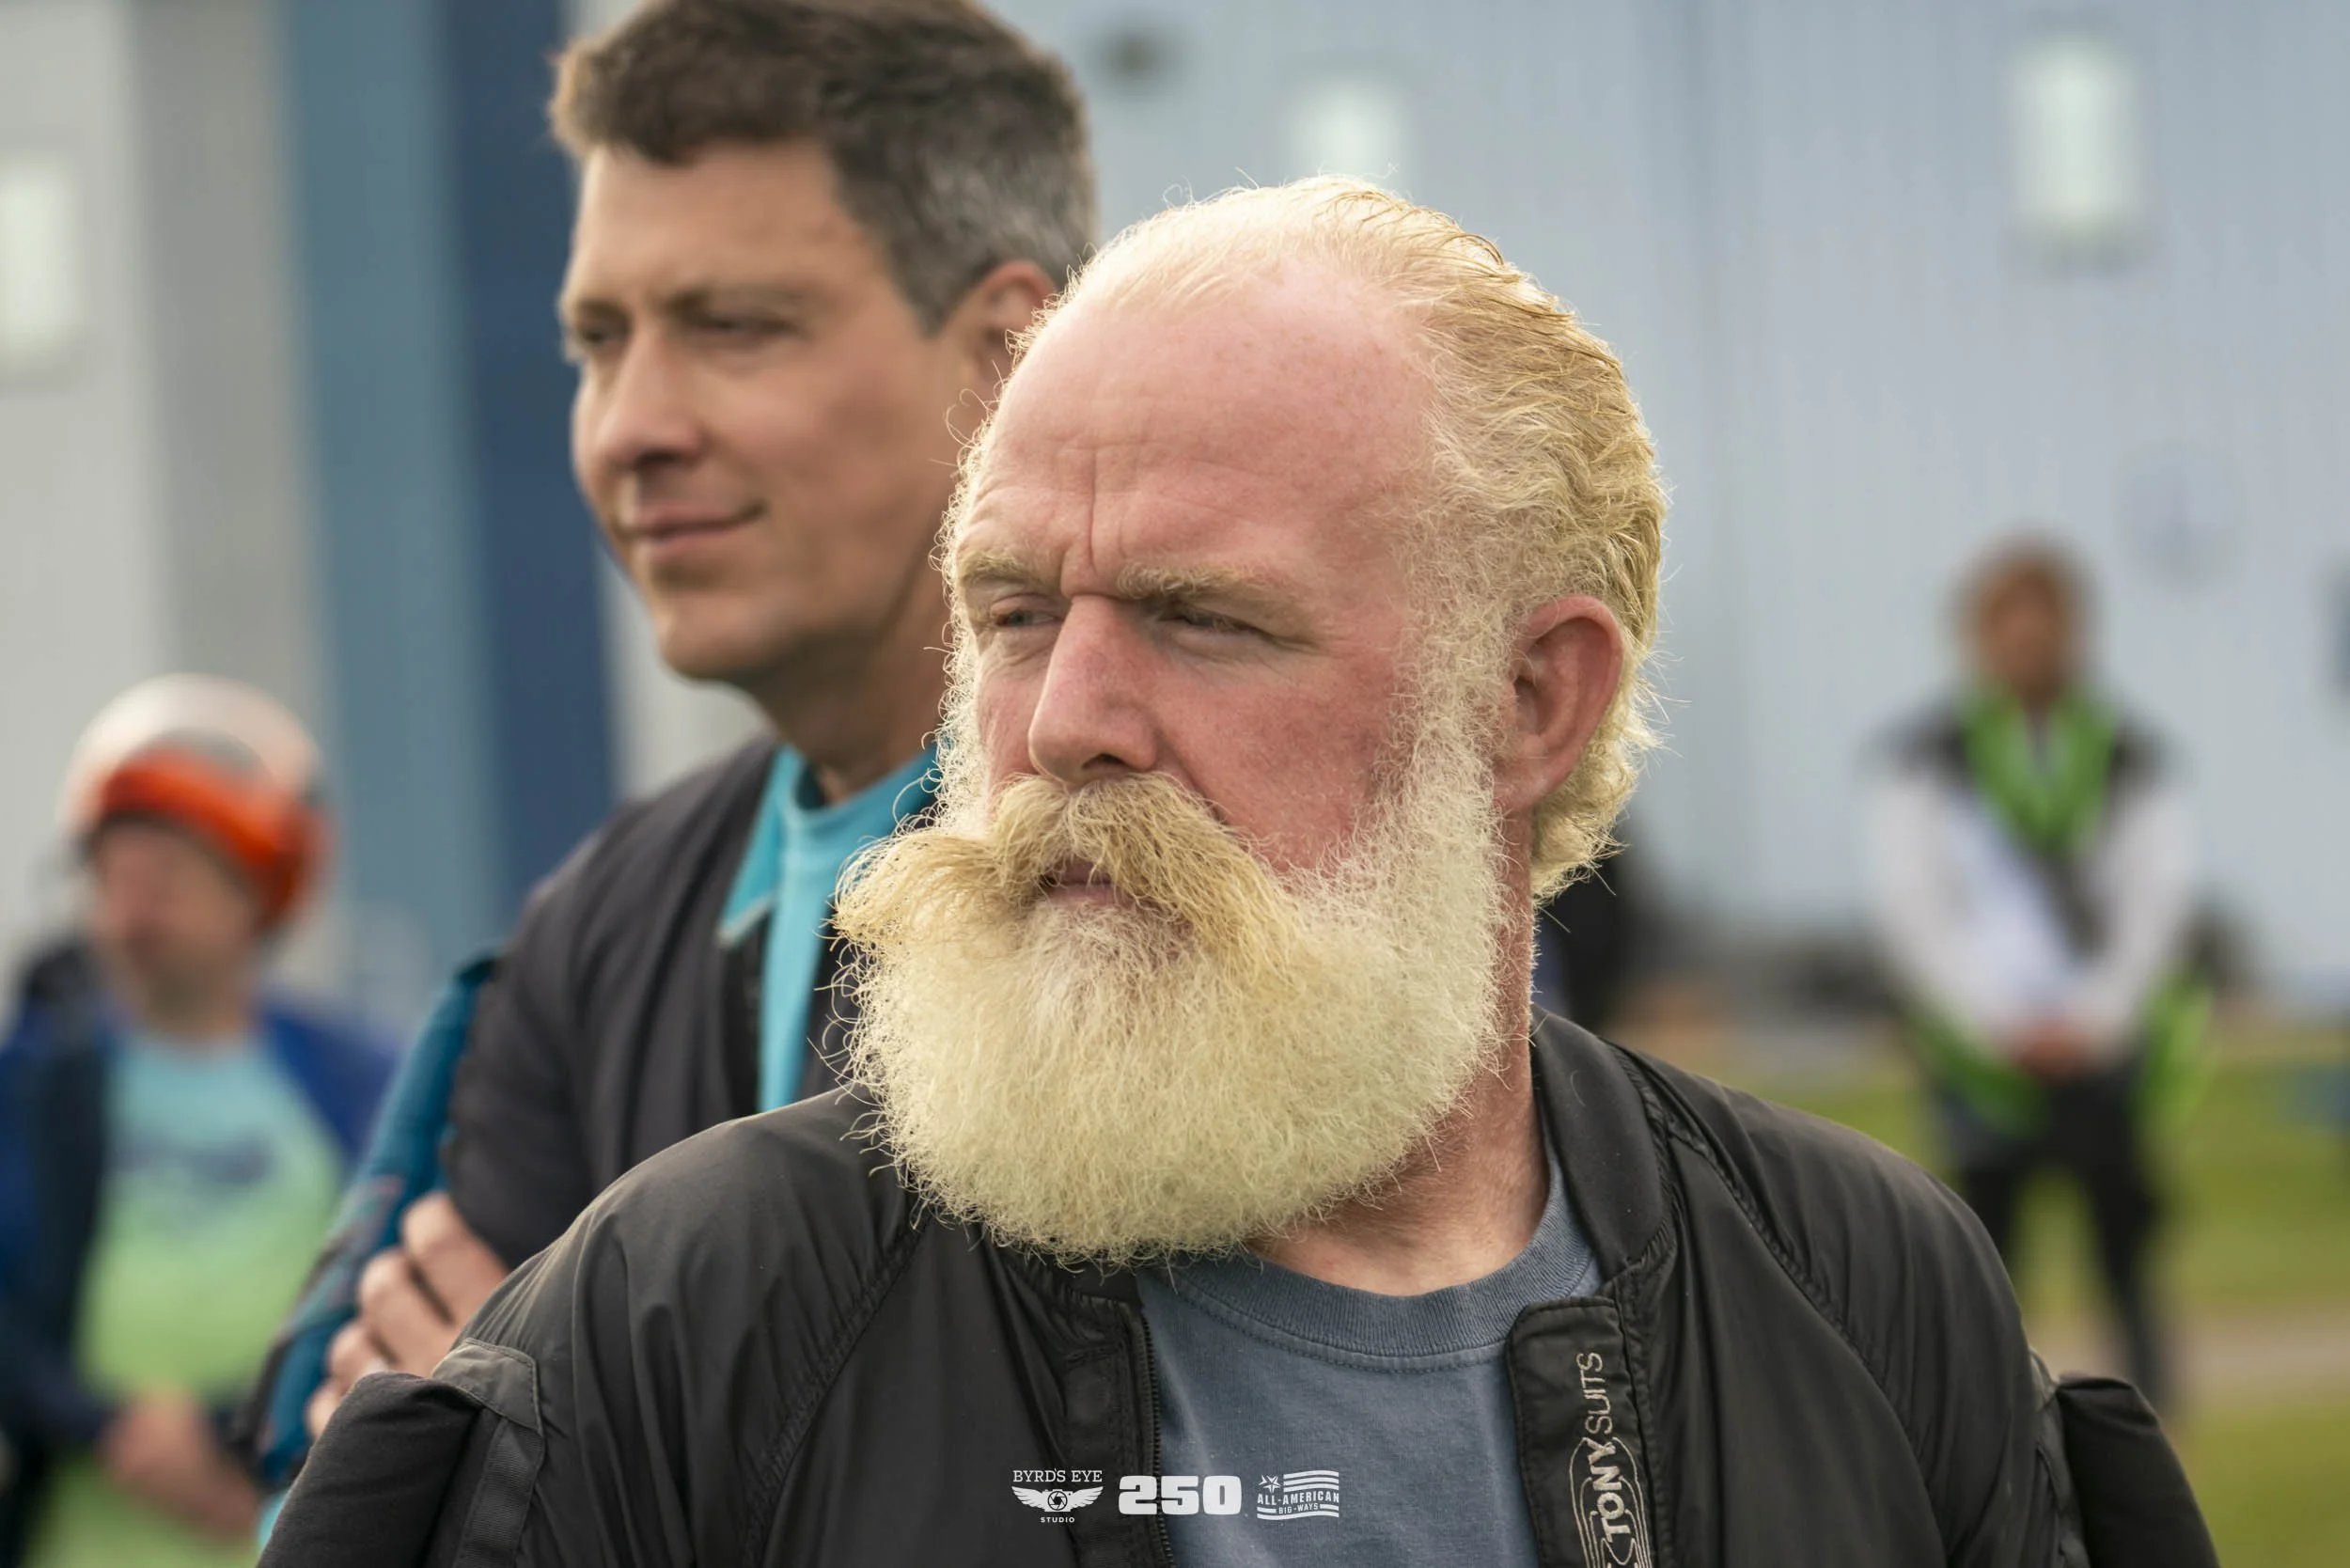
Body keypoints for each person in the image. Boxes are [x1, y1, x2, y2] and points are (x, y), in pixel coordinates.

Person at [263, 181, 2214, 1567]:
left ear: (1529, 702)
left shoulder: (1859, 1296)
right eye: (1012, 612)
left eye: (1199, 619)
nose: (1061, 724)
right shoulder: (688, 1324)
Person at [237, 0, 1095, 1490]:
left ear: (1008, 356)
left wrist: (581, 1458)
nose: (629, 427)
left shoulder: (1176, 889)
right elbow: (349, 1478)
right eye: (596, 343)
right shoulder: (594, 923)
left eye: (732, 327)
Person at [0, 676, 393, 1568]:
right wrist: (115, 1428)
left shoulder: (356, 1081)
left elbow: (387, 1280)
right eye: (116, 874)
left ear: (257, 893)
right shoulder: (32, 1082)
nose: (137, 905)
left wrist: (229, 1434)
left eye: (170, 876)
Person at [1871, 540, 2207, 1408]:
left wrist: (2095, 1018)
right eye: (2006, 630)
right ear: (1976, 640)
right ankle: (1990, 1429)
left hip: (2102, 1050)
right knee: (1984, 1255)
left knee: (2124, 1246)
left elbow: (2155, 905)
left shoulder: (2127, 756)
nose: (2026, 648)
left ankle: (2156, 1428)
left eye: (2042, 629)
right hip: (1984, 1054)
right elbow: (1917, 911)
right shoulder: (1928, 761)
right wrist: (1994, 1023)